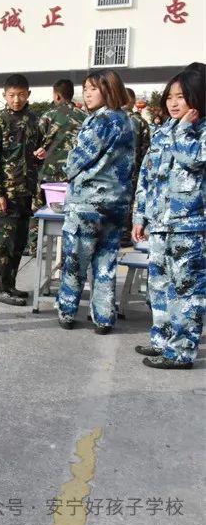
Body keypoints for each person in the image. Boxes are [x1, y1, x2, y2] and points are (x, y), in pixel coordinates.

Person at [132, 70, 205, 369]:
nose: (174, 103)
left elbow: (194, 159)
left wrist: (184, 131)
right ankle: (162, 340)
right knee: (160, 286)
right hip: (161, 224)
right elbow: (147, 175)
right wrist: (140, 215)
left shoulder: (199, 131)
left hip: (190, 226)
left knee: (187, 290)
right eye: (170, 97)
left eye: (181, 97)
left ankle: (181, 352)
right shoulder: (164, 130)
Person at [56, 69, 135, 332]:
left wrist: (66, 170)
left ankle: (67, 311)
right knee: (105, 262)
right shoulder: (127, 121)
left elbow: (78, 159)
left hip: (88, 203)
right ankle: (103, 317)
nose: (87, 94)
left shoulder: (99, 121)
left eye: (93, 89)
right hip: (116, 203)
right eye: (85, 89)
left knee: (75, 261)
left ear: (108, 90)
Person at [0, 74, 39, 306]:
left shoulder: (33, 120)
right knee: (3, 243)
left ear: (28, 94)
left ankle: (10, 284)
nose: (17, 100)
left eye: (21, 95)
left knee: (18, 243)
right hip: (6, 194)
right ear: (5, 95)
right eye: (12, 95)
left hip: (26, 192)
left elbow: (37, 152)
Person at [25, 79, 86, 255]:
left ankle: (33, 246)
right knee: (71, 212)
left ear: (57, 95)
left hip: (48, 172)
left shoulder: (48, 116)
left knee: (37, 209)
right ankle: (69, 248)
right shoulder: (84, 117)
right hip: (73, 174)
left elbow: (36, 142)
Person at [121, 87, 152, 246]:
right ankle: (125, 235)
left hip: (111, 172)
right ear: (132, 102)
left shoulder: (111, 119)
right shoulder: (140, 122)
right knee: (130, 201)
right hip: (133, 170)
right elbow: (146, 149)